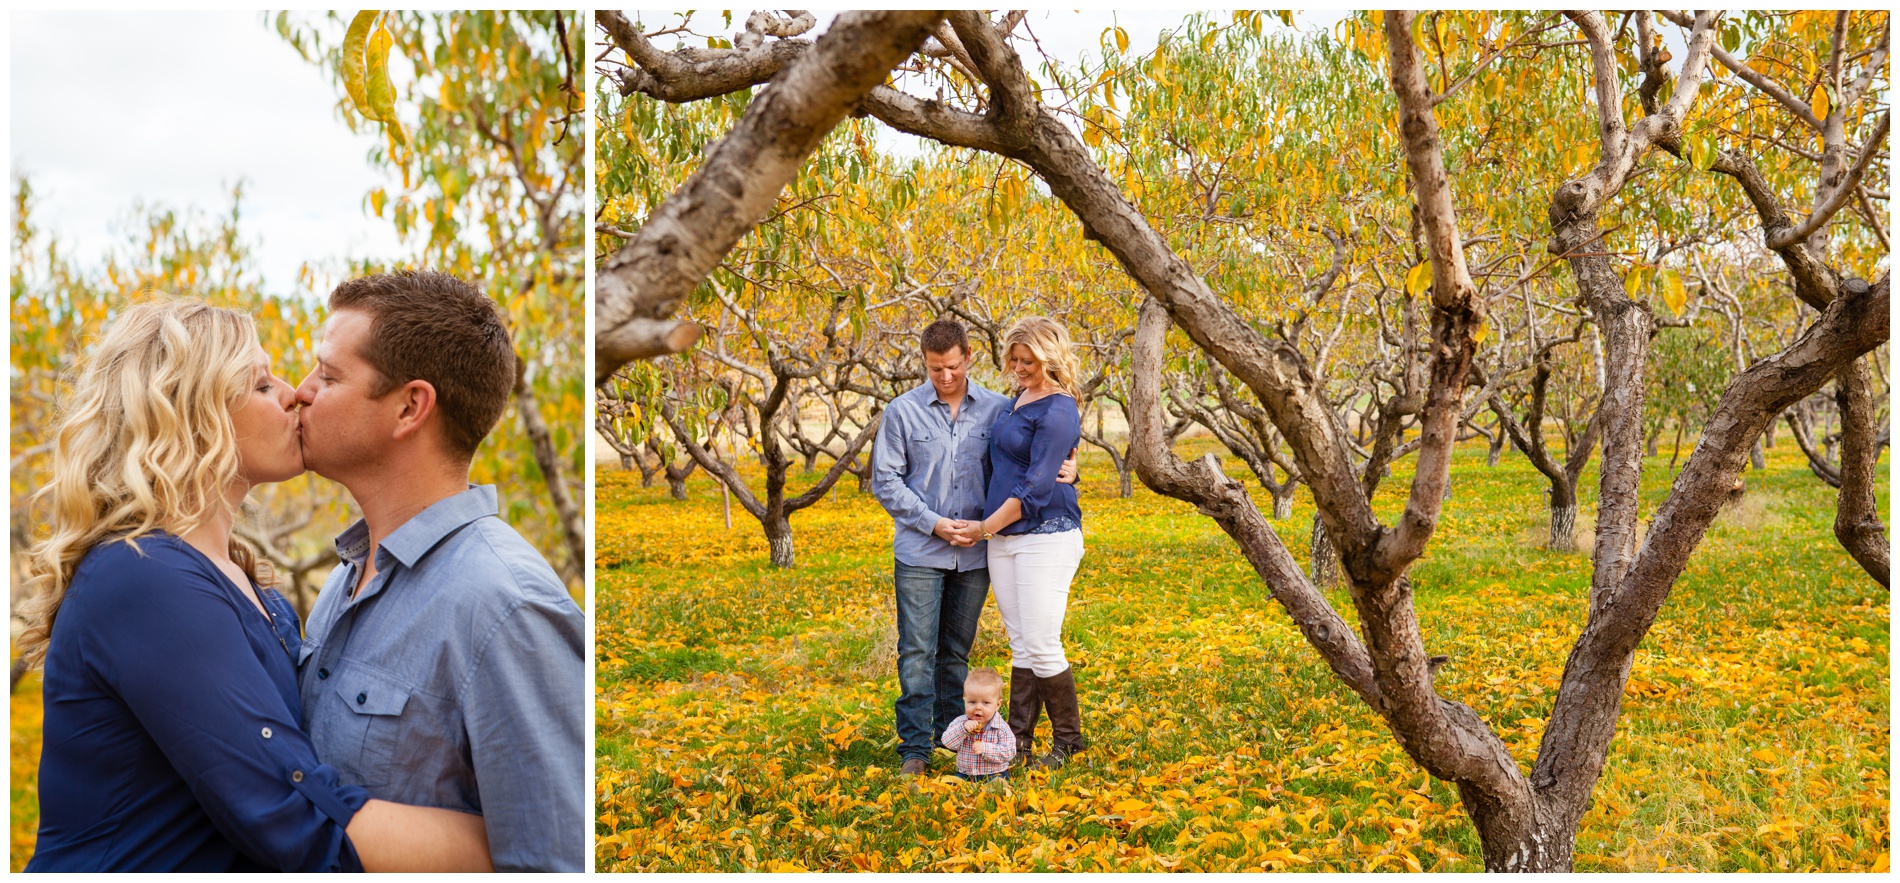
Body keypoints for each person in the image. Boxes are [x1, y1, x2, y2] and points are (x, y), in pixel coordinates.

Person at [18, 296, 492, 872]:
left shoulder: (253, 587)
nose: (294, 393)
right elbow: (296, 818)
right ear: (192, 415)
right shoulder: (141, 578)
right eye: (262, 385)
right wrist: (523, 843)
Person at [292, 271, 586, 872]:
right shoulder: (343, 580)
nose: (301, 392)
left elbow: (551, 858)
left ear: (409, 406)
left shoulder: (505, 607)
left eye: (328, 375)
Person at [870, 319, 1074, 777]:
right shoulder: (901, 412)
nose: (945, 377)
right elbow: (884, 482)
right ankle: (915, 749)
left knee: (957, 651)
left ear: (969, 358)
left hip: (979, 553)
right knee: (917, 651)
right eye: (935, 369)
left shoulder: (1000, 409)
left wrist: (1070, 467)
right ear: (924, 363)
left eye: (954, 367)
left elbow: (1031, 454)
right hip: (922, 550)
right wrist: (935, 524)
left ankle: (952, 733)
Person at [967, 316, 1088, 770]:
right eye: (1014, 359)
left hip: (1045, 536)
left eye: (1028, 360)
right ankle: (1017, 741)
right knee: (1020, 642)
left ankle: (1070, 743)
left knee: (1041, 641)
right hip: (1004, 537)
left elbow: (1037, 488)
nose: (1019, 367)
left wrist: (982, 528)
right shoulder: (1017, 399)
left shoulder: (1058, 408)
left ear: (1050, 358)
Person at [940, 668, 1015, 782]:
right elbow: (947, 742)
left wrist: (986, 749)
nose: (978, 707)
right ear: (964, 700)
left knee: (998, 783)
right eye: (972, 702)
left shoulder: (1001, 728)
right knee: (950, 783)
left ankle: (996, 786)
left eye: (986, 703)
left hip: (994, 773)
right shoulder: (960, 722)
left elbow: (1009, 752)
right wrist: (963, 729)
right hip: (965, 773)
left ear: (997, 704)